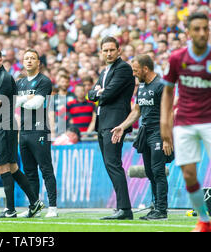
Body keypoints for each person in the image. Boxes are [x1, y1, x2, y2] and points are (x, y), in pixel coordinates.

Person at [160, 12, 211, 232]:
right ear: (189, 32)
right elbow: (167, 91)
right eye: (197, 29)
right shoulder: (177, 58)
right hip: (184, 122)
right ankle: (204, 220)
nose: (202, 33)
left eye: (206, 29)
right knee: (189, 174)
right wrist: (165, 122)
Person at [0, 47, 44, 218]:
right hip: (2, 126)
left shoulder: (4, 78)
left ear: (0, 60)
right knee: (13, 168)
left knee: (3, 167)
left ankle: (10, 209)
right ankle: (35, 202)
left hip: (5, 126)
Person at [111, 54, 173, 220]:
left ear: (146, 69)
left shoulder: (161, 86)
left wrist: (167, 138)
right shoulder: (143, 87)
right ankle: (156, 206)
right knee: (150, 171)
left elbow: (169, 112)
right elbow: (137, 110)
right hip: (145, 133)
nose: (133, 73)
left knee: (158, 171)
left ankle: (162, 210)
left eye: (136, 70)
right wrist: (122, 126)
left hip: (159, 132)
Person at [87, 36, 135, 220]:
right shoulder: (106, 70)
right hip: (103, 122)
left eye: (111, 50)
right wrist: (97, 93)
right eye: (105, 50)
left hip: (115, 123)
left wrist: (99, 92)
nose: (108, 53)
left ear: (118, 51)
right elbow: (91, 94)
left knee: (113, 165)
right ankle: (122, 207)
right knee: (111, 165)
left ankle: (125, 209)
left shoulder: (123, 68)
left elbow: (107, 94)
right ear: (101, 52)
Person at [16, 48, 58, 218]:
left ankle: (53, 207)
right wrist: (24, 99)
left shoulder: (44, 81)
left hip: (40, 130)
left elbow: (36, 104)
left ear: (38, 62)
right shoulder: (19, 83)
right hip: (24, 132)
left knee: (46, 169)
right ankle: (33, 207)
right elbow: (11, 103)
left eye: (32, 58)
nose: (29, 61)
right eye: (26, 58)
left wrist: (19, 101)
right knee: (29, 172)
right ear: (23, 62)